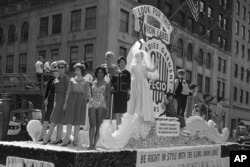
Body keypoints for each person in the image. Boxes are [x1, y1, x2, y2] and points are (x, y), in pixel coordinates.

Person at [100, 49, 159, 149]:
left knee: (142, 101)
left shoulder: (143, 66)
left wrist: (156, 63)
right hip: (134, 86)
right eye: (136, 56)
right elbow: (128, 76)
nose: (138, 58)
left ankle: (141, 115)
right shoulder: (131, 67)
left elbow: (152, 70)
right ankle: (121, 128)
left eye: (139, 56)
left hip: (142, 85)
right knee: (124, 108)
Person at [62, 62, 90, 146]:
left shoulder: (86, 81)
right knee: (69, 120)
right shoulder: (71, 80)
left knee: (77, 121)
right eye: (75, 70)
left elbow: (87, 94)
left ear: (81, 71)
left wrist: (85, 101)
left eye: (77, 70)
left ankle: (75, 139)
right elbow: (68, 92)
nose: (75, 71)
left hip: (81, 101)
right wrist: (65, 103)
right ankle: (67, 138)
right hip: (72, 99)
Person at [42, 60, 69, 145]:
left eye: (62, 67)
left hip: (62, 99)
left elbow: (68, 91)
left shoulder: (65, 78)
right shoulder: (57, 78)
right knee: (59, 120)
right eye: (59, 67)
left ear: (65, 68)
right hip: (56, 100)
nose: (60, 69)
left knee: (53, 119)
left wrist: (65, 103)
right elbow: (51, 90)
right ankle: (58, 138)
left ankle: (46, 139)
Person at [88, 66, 110, 150]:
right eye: (98, 72)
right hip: (92, 104)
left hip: (102, 105)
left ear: (104, 74)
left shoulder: (107, 84)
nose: (100, 73)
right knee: (92, 125)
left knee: (98, 125)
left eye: (102, 72)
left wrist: (107, 108)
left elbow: (108, 96)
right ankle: (90, 145)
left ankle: (94, 145)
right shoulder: (92, 83)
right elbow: (90, 94)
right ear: (96, 73)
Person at [37, 61, 58, 142]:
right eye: (52, 71)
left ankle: (46, 136)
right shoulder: (51, 81)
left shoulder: (60, 80)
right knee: (46, 118)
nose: (53, 72)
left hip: (56, 101)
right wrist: (46, 99)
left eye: (54, 70)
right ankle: (42, 136)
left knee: (53, 120)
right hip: (50, 101)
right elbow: (48, 92)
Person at [111, 56, 131, 127]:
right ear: (118, 64)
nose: (122, 63)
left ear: (125, 63)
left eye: (123, 62)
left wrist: (128, 93)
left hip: (123, 93)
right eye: (121, 62)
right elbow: (112, 82)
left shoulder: (127, 73)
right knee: (117, 111)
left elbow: (129, 83)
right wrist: (112, 88)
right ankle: (117, 127)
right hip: (116, 94)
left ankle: (123, 128)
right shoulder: (115, 73)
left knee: (123, 111)